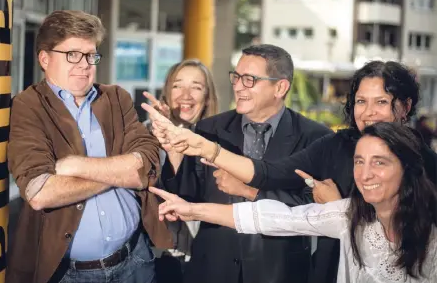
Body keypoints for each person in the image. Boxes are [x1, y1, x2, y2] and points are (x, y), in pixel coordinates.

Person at [143, 60, 437, 283]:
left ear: (405, 107)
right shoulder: (336, 153)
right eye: (361, 101)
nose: (369, 112)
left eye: (381, 102)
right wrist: (206, 155)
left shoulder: (426, 177)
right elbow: (273, 205)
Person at [5, 10, 171, 283]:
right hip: (70, 273)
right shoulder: (28, 106)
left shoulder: (116, 98)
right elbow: (40, 192)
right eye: (72, 54)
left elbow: (149, 163)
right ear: (44, 58)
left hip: (135, 260)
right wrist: (120, 173)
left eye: (90, 55)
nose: (84, 64)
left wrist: (77, 166)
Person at [146, 44, 333, 283]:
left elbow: (314, 208)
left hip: (279, 272)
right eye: (236, 77)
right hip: (212, 269)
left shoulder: (314, 136)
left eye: (249, 79)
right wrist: (172, 149)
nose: (237, 86)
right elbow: (187, 195)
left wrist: (248, 190)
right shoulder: (210, 129)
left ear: (280, 87)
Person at [143, 59, 219, 282]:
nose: (186, 95)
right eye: (177, 85)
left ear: (207, 97)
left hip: (202, 258)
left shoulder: (218, 143)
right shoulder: (143, 136)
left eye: (196, 87)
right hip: (153, 254)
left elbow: (192, 194)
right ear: (167, 91)